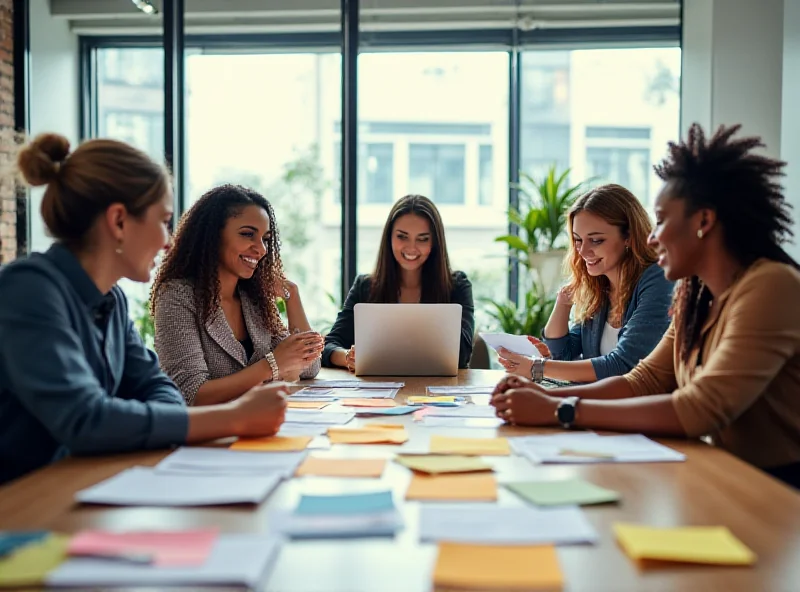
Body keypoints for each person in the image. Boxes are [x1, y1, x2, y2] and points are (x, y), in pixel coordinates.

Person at [490, 123, 800, 489]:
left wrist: (561, 409)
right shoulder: (695, 294)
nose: (652, 236)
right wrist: (544, 394)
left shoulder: (771, 285)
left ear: (704, 221)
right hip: (719, 476)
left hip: (777, 489)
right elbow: (644, 380)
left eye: (663, 220)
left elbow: (699, 408)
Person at [0, 134, 288, 485]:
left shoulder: (111, 301)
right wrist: (233, 418)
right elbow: (85, 419)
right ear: (119, 221)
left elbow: (159, 389)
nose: (168, 241)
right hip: (22, 501)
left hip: (83, 482)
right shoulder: (28, 289)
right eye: (163, 221)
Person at [151, 184, 323, 406]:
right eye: (247, 234)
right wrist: (273, 366)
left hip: (260, 427)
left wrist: (292, 294)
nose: (261, 249)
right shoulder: (177, 297)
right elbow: (189, 393)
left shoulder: (252, 299)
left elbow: (309, 366)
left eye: (266, 239)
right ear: (212, 236)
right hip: (210, 434)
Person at [497, 184, 673, 383]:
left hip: (641, 410)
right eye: (577, 240)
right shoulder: (601, 287)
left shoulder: (659, 279)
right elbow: (562, 356)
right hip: (601, 408)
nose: (582, 251)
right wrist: (563, 304)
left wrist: (536, 368)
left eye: (596, 240)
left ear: (629, 237)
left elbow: (625, 365)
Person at [323, 194, 475, 371]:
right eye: (402, 237)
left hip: (438, 391)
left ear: (435, 243)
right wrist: (348, 357)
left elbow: (463, 355)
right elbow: (329, 346)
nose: (411, 248)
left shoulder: (457, 286)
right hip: (377, 392)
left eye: (423, 239)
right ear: (389, 238)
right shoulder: (365, 286)